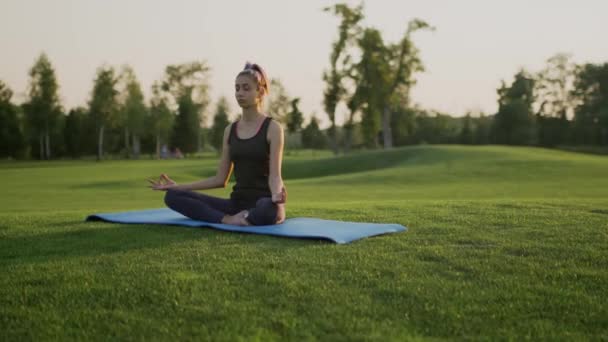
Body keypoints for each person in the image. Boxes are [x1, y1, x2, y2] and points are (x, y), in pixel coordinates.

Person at [148, 62, 286, 226]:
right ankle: (230, 220)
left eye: (246, 88)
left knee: (269, 209)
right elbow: (220, 179)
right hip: (235, 205)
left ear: (260, 91)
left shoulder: (273, 128)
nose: (240, 93)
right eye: (237, 88)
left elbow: (275, 176)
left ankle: (248, 217)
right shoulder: (230, 130)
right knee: (173, 196)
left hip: (264, 202)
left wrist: (277, 195)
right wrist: (179, 187)